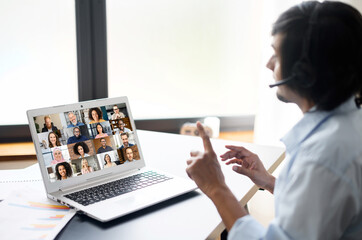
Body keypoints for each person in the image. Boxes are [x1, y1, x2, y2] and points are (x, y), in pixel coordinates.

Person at [186, 2, 362, 239]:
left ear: (303, 73)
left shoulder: (323, 158)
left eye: (277, 55)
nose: (269, 64)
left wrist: (216, 188)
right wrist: (268, 181)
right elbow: (321, 208)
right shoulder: (349, 125)